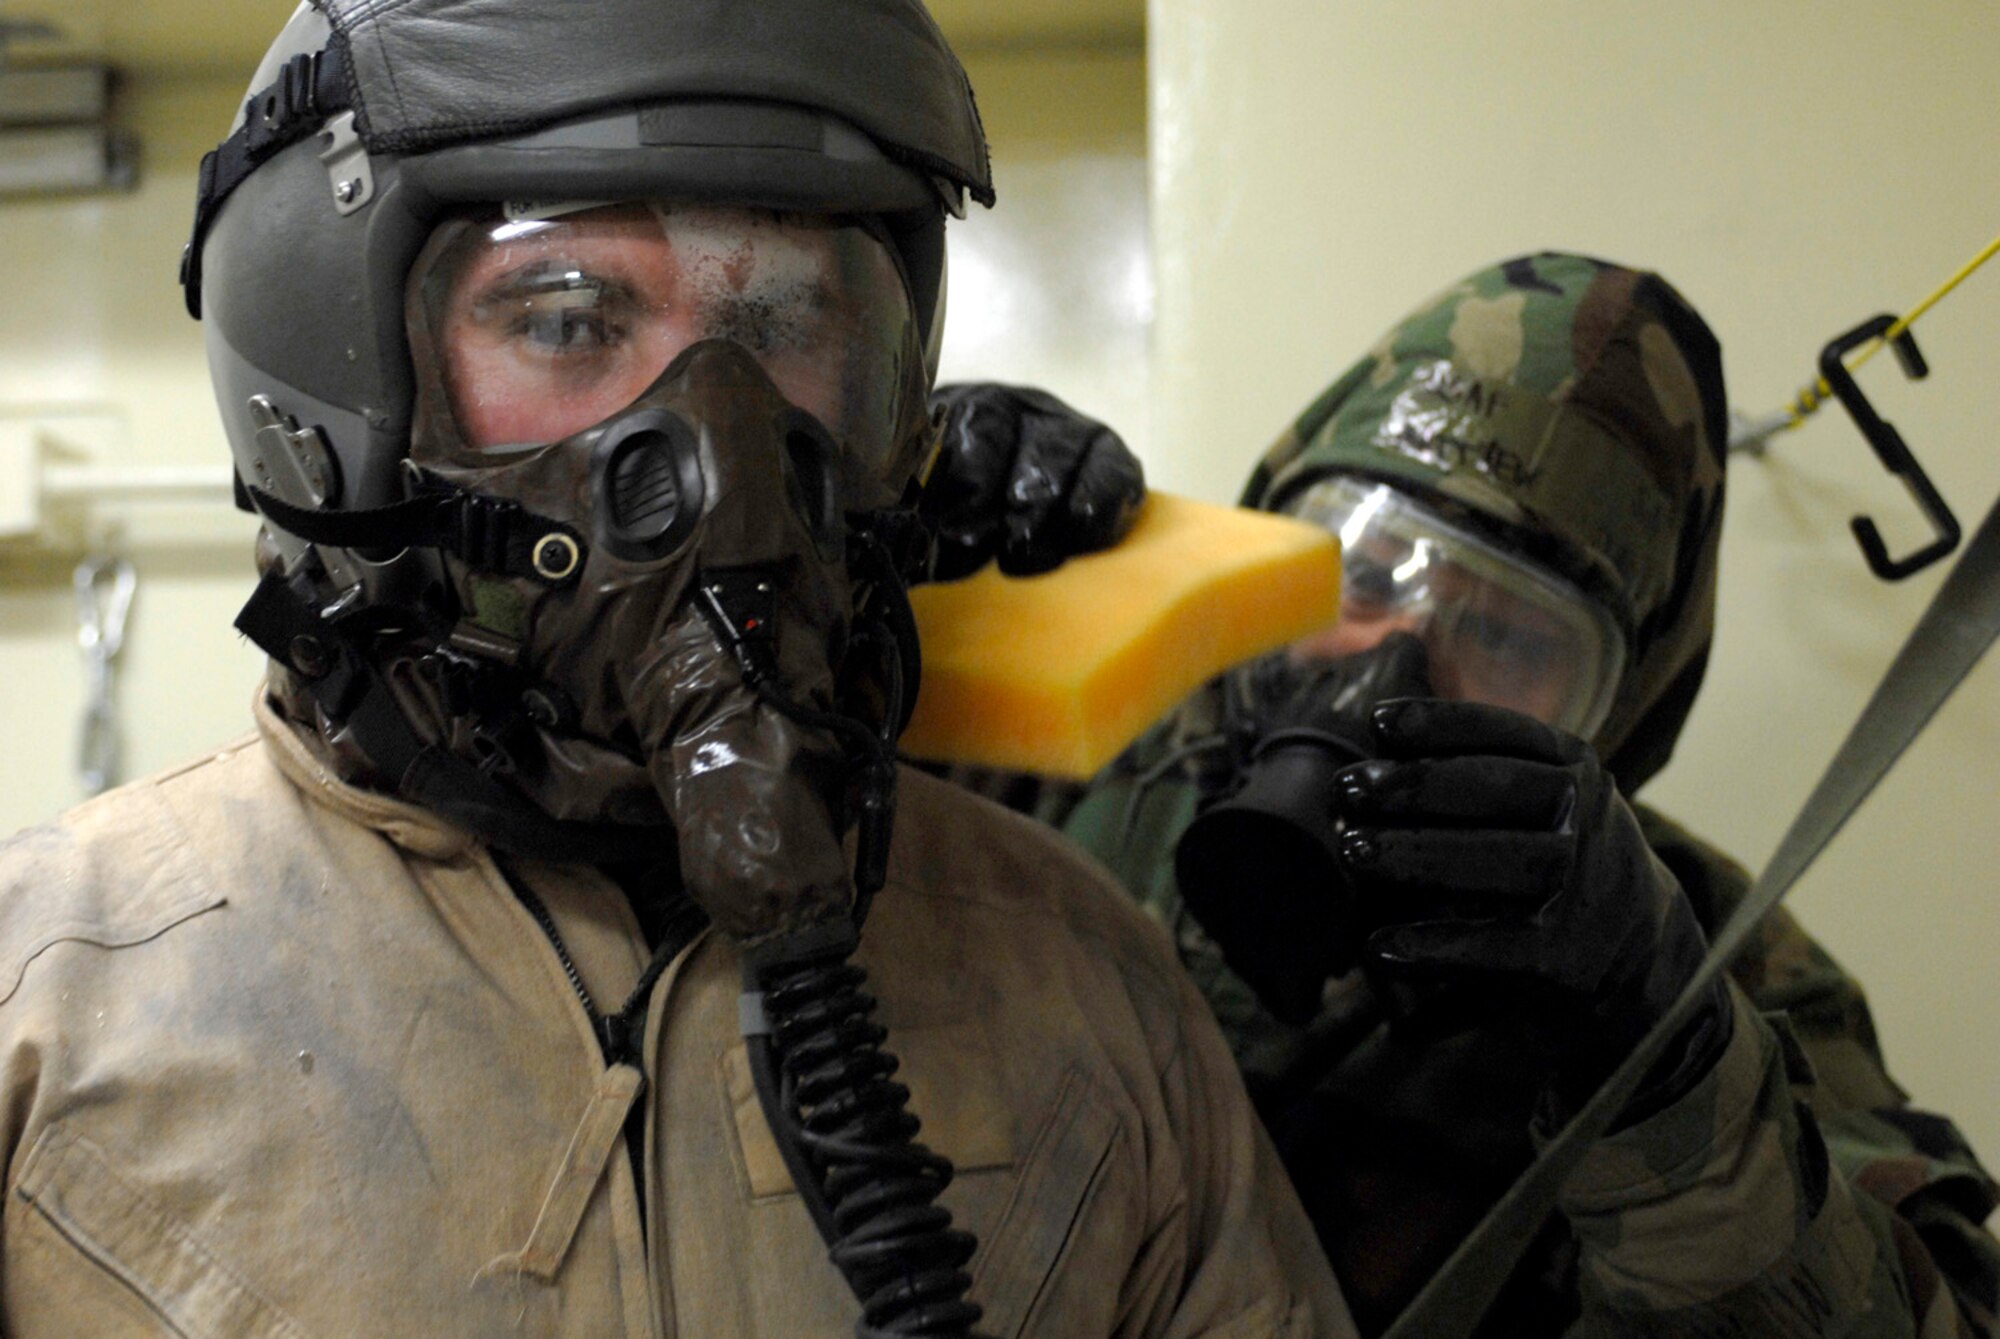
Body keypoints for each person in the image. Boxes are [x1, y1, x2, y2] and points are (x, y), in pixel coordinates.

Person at [0, 3, 1355, 1336]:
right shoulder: (52, 990)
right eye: (571, 321)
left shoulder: (1081, 978)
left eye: (781, 328)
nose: (719, 443)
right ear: (335, 399)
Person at [934, 253, 2000, 1336]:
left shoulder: (1704, 962)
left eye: (1498, 632)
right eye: (1360, 570)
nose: (1391, 661)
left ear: (1616, 716)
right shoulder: (1058, 745)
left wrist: (1657, 1072)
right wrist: (855, 549)